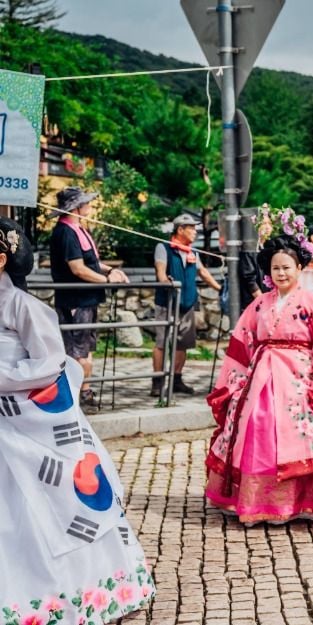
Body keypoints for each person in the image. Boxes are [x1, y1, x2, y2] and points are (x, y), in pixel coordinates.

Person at [0, 217, 156, 623]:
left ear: (0, 259)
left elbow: (52, 365)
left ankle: (66, 594)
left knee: (40, 510)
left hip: (24, 422)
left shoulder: (24, 307)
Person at [205, 224, 313, 525]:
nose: (281, 273)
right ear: (268, 271)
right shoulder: (259, 305)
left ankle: (312, 501)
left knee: (308, 432)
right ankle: (261, 503)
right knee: (258, 425)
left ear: (299, 268)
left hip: (301, 377)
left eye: (287, 267)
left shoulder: (312, 304)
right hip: (262, 379)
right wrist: (231, 384)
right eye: (275, 268)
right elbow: (242, 342)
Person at [49, 187, 129, 406]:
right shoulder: (65, 232)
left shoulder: (79, 229)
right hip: (75, 299)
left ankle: (84, 390)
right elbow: (78, 268)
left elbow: (90, 262)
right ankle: (74, 393)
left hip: (88, 299)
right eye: (86, 203)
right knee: (77, 350)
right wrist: (106, 281)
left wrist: (110, 271)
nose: (89, 205)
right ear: (76, 207)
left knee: (86, 347)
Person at [151, 213, 222, 397]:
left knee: (182, 344)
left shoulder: (193, 252)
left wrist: (220, 288)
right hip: (167, 303)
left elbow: (203, 272)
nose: (195, 231)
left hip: (187, 304)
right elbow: (160, 273)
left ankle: (176, 380)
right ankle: (158, 383)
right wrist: (167, 283)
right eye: (191, 228)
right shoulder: (163, 248)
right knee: (161, 343)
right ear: (180, 229)